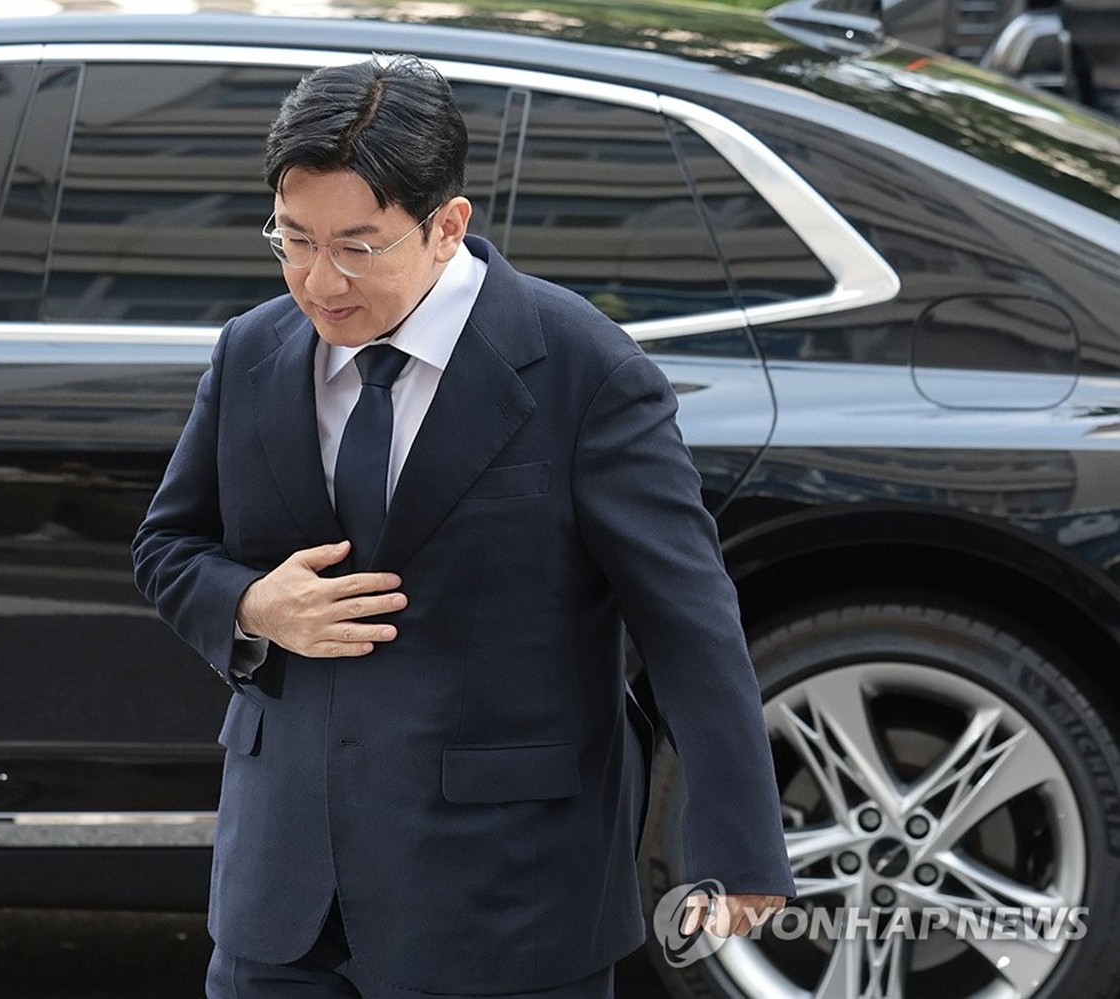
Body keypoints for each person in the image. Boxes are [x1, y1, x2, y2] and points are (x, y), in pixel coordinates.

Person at [132, 54, 792, 999]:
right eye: (293, 239)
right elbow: (167, 546)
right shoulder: (251, 351)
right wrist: (251, 605)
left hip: (505, 899)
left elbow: (687, 617)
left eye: (357, 247)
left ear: (447, 227)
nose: (318, 281)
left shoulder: (583, 368)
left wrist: (739, 844)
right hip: (280, 891)